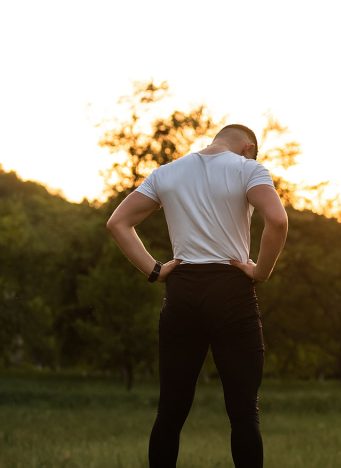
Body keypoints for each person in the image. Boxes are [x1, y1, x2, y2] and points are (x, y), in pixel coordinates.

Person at [106, 124, 288, 468]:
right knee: (244, 413)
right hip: (232, 291)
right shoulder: (249, 169)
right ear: (248, 148)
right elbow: (277, 221)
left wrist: (154, 270)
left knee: (170, 412)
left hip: (183, 292)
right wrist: (261, 271)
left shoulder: (166, 173)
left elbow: (118, 223)